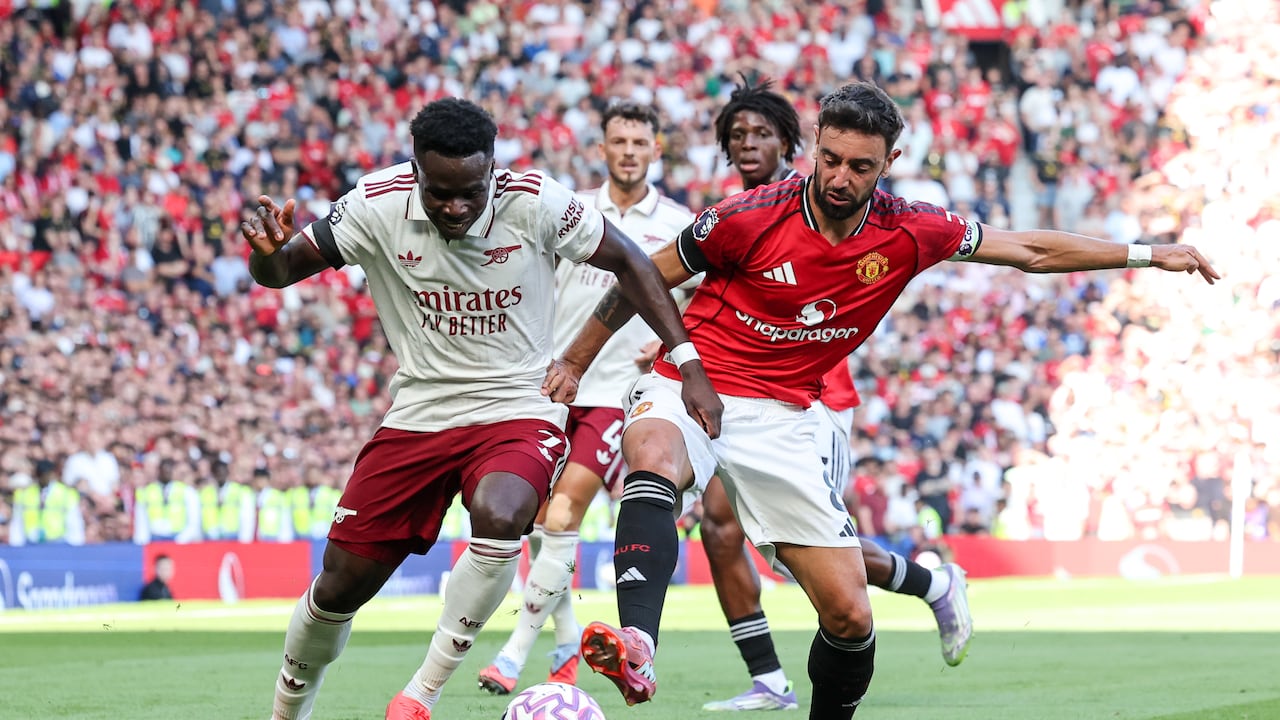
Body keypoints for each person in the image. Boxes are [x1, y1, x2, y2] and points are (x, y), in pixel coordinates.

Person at [544, 81, 1217, 717]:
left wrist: (1146, 254)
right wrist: (578, 360)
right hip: (695, 386)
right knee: (654, 455)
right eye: (831, 159)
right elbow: (642, 275)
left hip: (784, 417)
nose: (840, 177)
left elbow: (1030, 251)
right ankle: (640, 645)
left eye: (860, 167)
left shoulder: (912, 230)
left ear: (889, 163)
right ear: (815, 145)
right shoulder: (746, 217)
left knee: (850, 616)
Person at [242, 97, 717, 720]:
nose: (456, 207)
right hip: (419, 411)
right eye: (439, 193)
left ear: (493, 169)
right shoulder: (375, 204)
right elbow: (280, 271)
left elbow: (631, 262)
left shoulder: (535, 201)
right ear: (415, 170)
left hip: (518, 405)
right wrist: (267, 254)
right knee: (339, 585)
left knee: (504, 511)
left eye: (471, 191)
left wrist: (687, 361)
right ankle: (287, 712)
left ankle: (421, 694)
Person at [698, 79, 974, 713]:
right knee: (721, 528)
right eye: (738, 135)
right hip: (734, 394)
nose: (749, 145)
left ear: (793, 144)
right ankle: (768, 677)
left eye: (763, 134)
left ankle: (931, 584)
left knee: (808, 561)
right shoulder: (730, 216)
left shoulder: (827, 204)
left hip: (815, 401)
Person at [478, 101, 695, 696]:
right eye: (618, 141)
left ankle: (513, 655)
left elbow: (704, 295)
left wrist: (672, 342)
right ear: (602, 150)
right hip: (552, 385)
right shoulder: (570, 211)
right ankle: (568, 639)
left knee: (564, 512)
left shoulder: (678, 223)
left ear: (656, 150)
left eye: (639, 142)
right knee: (539, 525)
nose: (628, 151)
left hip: (616, 393)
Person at [9, 459, 85, 546]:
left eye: (46, 474)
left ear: (52, 474)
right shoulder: (24, 494)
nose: (44, 478)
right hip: (30, 543)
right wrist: (16, 544)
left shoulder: (66, 494)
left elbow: (74, 521)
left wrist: (75, 545)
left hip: (58, 542)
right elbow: (17, 520)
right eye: (41, 474)